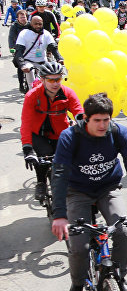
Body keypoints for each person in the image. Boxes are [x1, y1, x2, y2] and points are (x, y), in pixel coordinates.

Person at [50, 93, 127, 291]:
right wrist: (59, 215)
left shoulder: (118, 132)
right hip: (77, 192)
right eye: (97, 120)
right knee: (79, 246)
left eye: (106, 120)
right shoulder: (70, 137)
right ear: (86, 118)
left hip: (108, 189)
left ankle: (119, 278)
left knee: (123, 231)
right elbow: (58, 176)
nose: (103, 125)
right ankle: (77, 285)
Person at [21, 61, 82, 201]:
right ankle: (41, 182)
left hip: (59, 132)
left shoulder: (68, 93)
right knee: (44, 157)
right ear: (42, 79)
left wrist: (84, 126)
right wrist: (27, 149)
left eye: (58, 79)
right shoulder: (32, 96)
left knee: (69, 159)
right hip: (38, 133)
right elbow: (26, 123)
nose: (55, 83)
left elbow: (79, 112)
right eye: (50, 80)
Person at [15, 14, 62, 83]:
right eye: (35, 24)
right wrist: (22, 65)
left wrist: (59, 58)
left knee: (49, 78)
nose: (38, 26)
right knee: (30, 73)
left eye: (40, 24)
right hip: (28, 61)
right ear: (31, 24)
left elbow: (53, 48)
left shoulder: (46, 34)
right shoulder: (24, 33)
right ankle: (31, 90)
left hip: (42, 61)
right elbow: (19, 51)